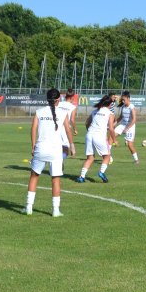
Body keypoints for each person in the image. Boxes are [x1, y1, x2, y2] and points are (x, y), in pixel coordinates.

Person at [24, 88, 74, 217]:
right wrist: (72, 145)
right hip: (55, 151)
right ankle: (55, 210)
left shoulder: (39, 112)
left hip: (41, 148)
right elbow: (68, 130)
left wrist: (33, 145)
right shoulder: (63, 113)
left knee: (34, 176)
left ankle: (29, 207)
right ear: (58, 100)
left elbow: (33, 129)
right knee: (55, 179)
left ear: (47, 99)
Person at [76, 94, 117, 183]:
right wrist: (114, 140)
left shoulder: (95, 111)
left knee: (90, 158)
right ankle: (101, 172)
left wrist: (90, 132)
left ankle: (81, 177)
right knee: (107, 156)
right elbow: (111, 128)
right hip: (99, 136)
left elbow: (87, 123)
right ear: (110, 104)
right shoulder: (110, 113)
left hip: (89, 134)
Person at [116, 90, 140, 164]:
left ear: (128, 98)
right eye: (122, 100)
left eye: (124, 99)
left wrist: (127, 128)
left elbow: (134, 120)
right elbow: (120, 117)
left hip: (130, 127)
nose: (123, 101)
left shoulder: (131, 107)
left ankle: (136, 160)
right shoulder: (123, 106)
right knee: (111, 136)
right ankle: (108, 157)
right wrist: (113, 124)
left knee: (129, 144)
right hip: (123, 125)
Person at [57, 89, 78, 163]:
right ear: (72, 97)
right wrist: (75, 129)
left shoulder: (59, 104)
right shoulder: (73, 107)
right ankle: (59, 162)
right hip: (64, 128)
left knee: (55, 145)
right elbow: (72, 120)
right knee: (66, 148)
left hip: (55, 126)